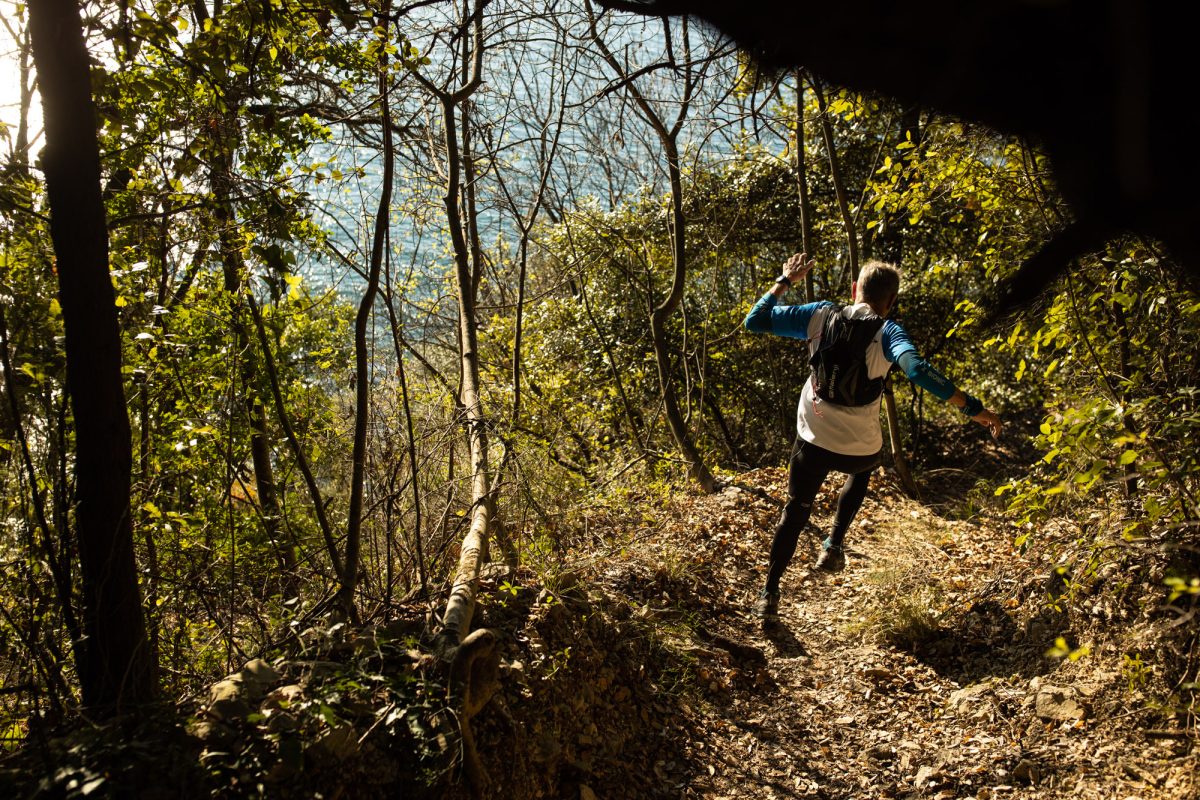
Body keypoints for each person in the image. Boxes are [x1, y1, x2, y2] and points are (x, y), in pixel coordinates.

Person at [743, 253, 1002, 619]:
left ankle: (769, 592)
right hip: (860, 449)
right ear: (891, 302)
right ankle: (834, 542)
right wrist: (971, 407)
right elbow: (918, 370)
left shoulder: (820, 314)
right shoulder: (888, 332)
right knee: (863, 468)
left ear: (854, 290)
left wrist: (785, 280)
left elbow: (755, 321)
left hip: (812, 441)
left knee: (797, 509)